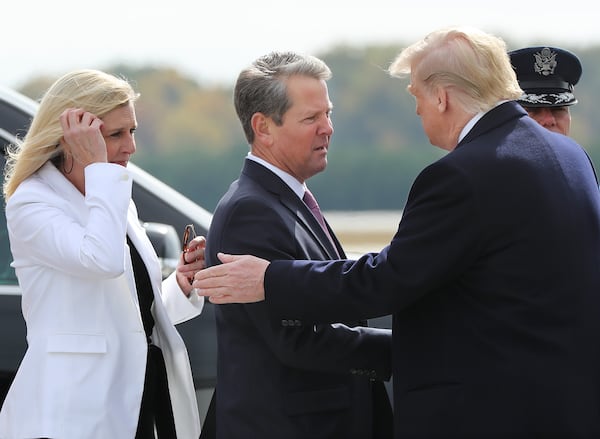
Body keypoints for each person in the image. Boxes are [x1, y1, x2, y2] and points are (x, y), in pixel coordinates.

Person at [193, 26, 600, 438]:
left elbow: (387, 279)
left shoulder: (464, 175)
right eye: (312, 117)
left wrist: (268, 279)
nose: (419, 111)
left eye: (417, 97)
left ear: (441, 97)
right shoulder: (571, 156)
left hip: (494, 412)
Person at [0, 69, 207, 439]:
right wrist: (98, 168)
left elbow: (133, 317)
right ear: (73, 137)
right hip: (73, 413)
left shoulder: (111, 198)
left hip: (138, 399)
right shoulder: (32, 202)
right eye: (115, 134)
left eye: (132, 131)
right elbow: (101, 261)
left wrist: (181, 284)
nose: (131, 147)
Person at [205, 51, 393, 439]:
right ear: (263, 127)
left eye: (328, 113)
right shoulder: (251, 211)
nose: (327, 128)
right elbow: (296, 337)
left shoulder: (282, 200)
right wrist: (406, 348)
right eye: (311, 118)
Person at [509, 45, 582, 135]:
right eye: (533, 109)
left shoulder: (577, 149)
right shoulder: (489, 148)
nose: (548, 120)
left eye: (558, 109)